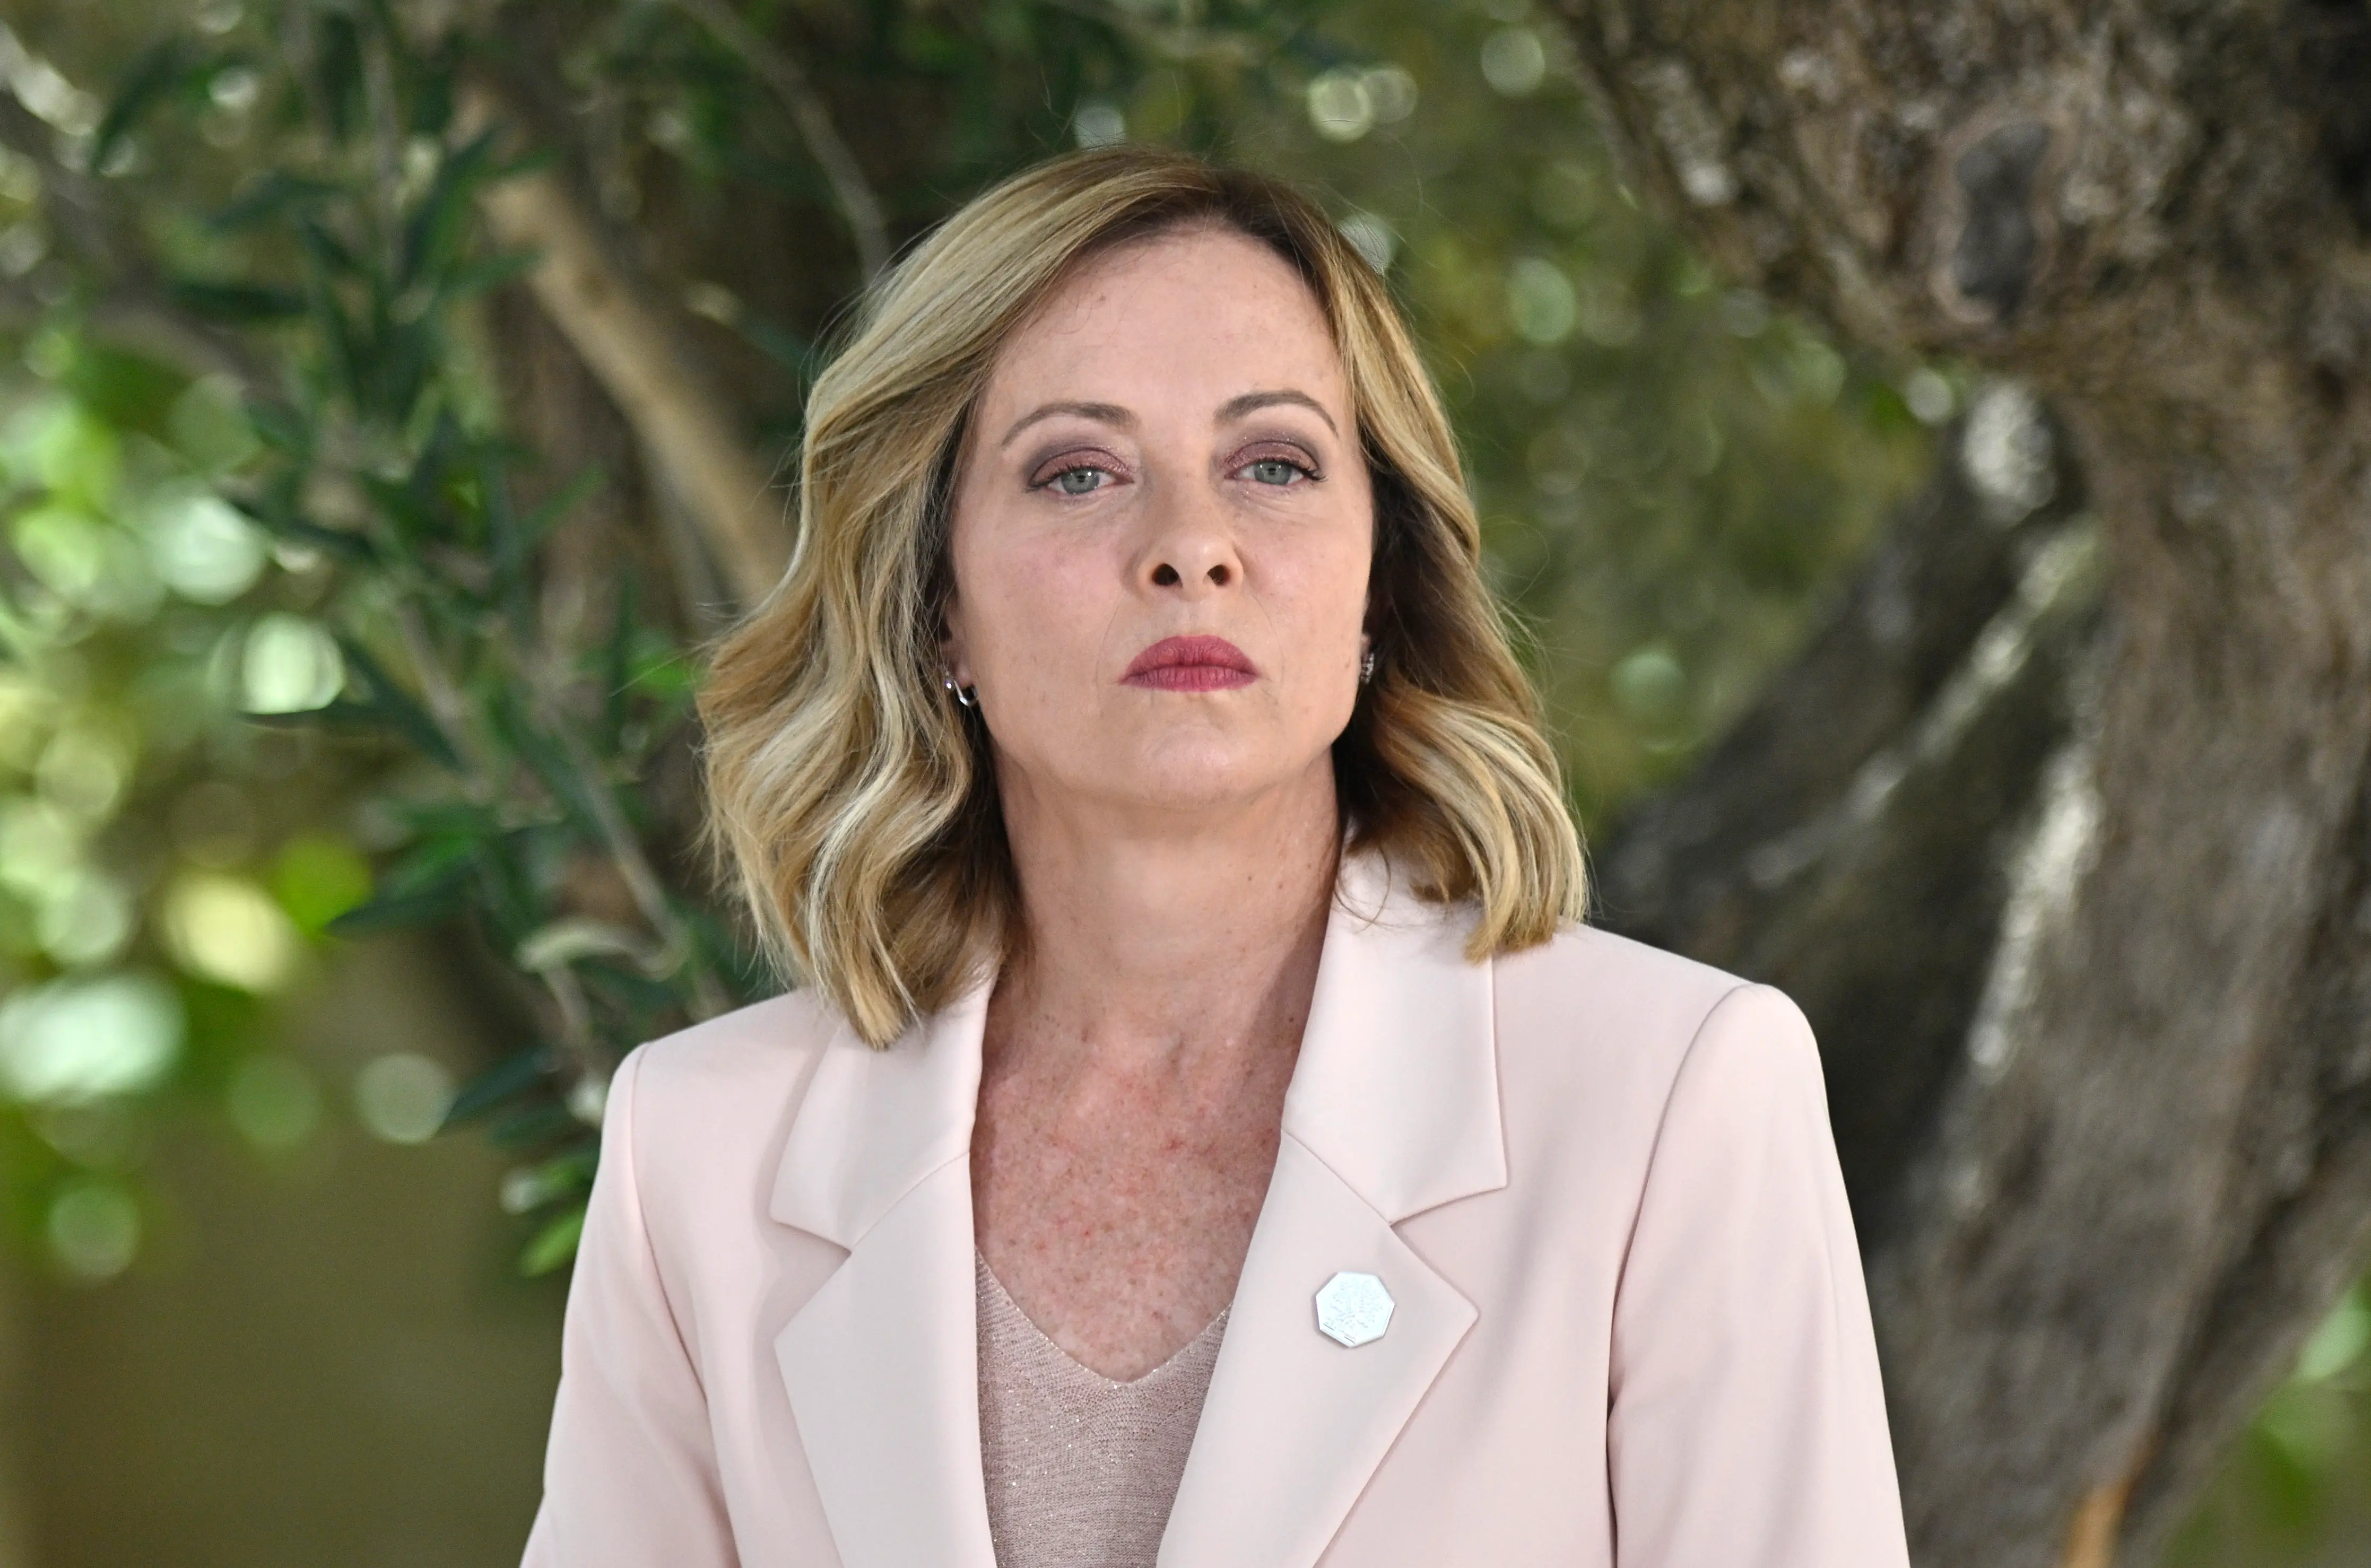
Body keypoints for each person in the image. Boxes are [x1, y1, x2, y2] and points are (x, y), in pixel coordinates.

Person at [519, 144, 1911, 1568]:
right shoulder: (696, 1149)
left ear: (1384, 575)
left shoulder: (1672, 1097)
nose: (1189, 545)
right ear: (934, 603)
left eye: (1272, 464)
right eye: (1075, 472)